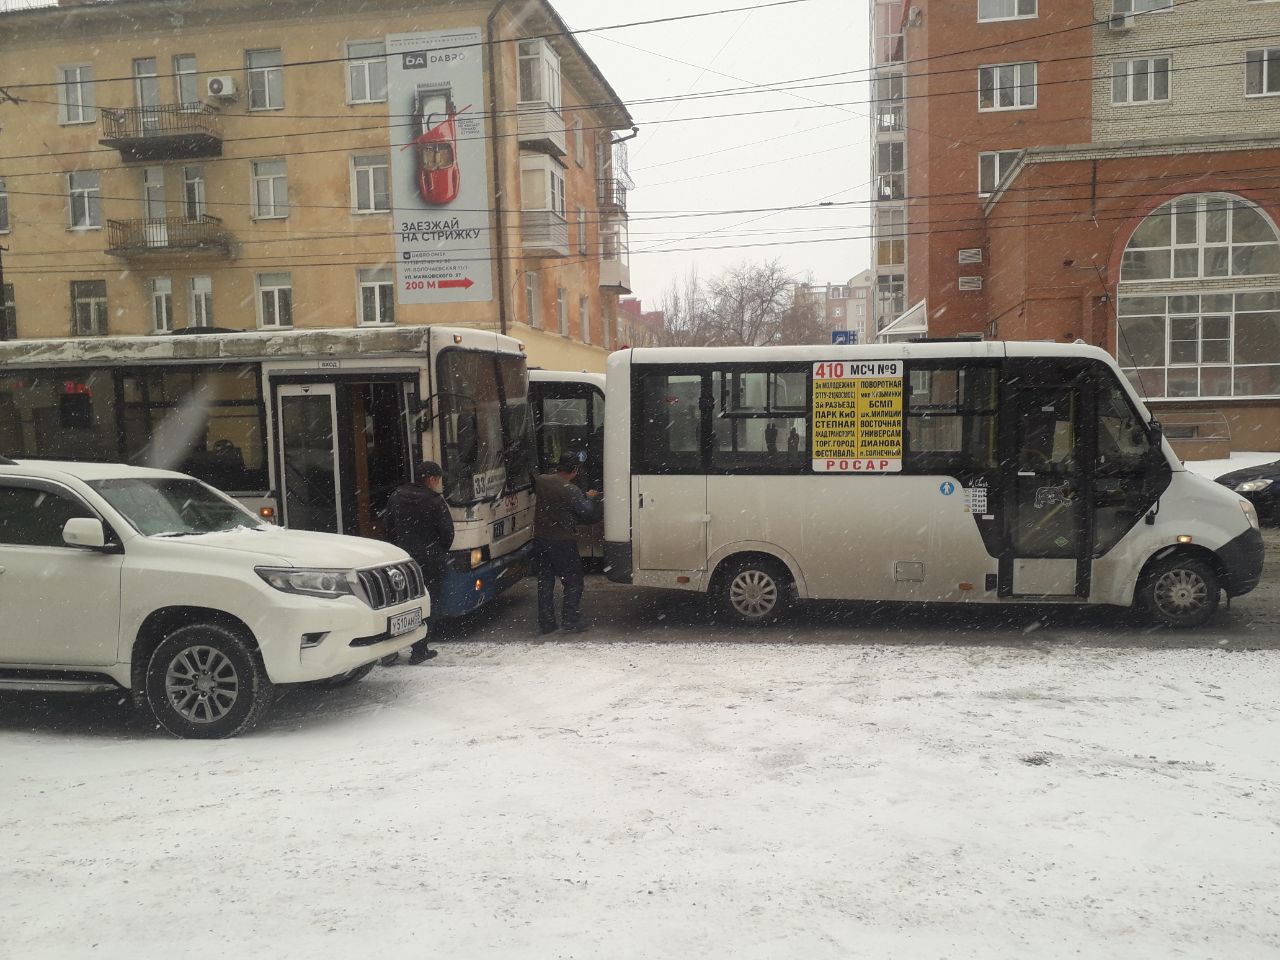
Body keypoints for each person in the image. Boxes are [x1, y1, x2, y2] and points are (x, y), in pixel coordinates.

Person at [384, 460, 454, 664]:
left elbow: (388, 527)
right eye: (438, 479)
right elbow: (447, 534)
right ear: (431, 479)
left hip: (402, 562)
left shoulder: (396, 497)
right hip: (430, 562)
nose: (439, 483)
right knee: (428, 604)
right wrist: (437, 551)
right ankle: (419, 650)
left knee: (399, 605)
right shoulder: (434, 501)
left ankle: (389, 652)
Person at [533, 451, 601, 635]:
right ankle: (570, 619)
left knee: (545, 581)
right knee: (573, 581)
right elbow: (586, 512)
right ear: (575, 469)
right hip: (562, 540)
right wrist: (590, 497)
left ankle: (546, 622)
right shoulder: (570, 490)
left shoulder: (542, 481)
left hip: (540, 538)